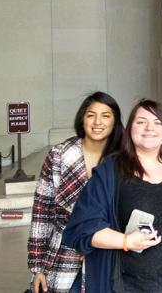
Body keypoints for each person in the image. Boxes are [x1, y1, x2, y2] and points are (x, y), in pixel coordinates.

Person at [62, 100, 162, 293]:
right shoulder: (111, 173)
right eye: (141, 122)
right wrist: (126, 241)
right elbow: (81, 228)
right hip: (134, 284)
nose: (150, 128)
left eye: (158, 122)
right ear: (129, 129)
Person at [28, 91, 123, 293]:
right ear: (82, 119)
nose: (97, 122)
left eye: (105, 115)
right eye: (91, 115)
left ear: (115, 122)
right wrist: (37, 267)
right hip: (63, 253)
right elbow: (41, 213)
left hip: (107, 253)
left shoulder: (122, 160)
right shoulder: (60, 155)